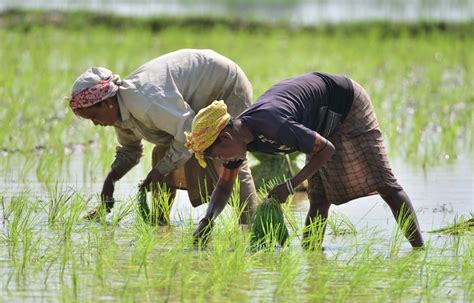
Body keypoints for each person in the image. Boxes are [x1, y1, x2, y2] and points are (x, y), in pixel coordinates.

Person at [185, 72, 424, 249]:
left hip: (346, 104)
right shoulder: (238, 141)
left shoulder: (272, 124)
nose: (220, 160)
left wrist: (289, 186)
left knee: (385, 184)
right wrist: (208, 219)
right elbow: (225, 185)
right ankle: (313, 256)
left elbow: (326, 149)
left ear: (225, 137)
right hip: (317, 122)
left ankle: (419, 249)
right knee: (319, 197)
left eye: (217, 155)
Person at [68, 49, 257, 224]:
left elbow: (188, 134)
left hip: (224, 85)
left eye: (94, 116)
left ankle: (253, 228)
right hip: (195, 98)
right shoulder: (120, 113)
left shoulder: (145, 102)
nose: (95, 123)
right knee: (162, 155)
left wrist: (160, 170)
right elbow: (130, 151)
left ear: (107, 102)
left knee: (229, 159)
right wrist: (111, 179)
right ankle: (160, 223)